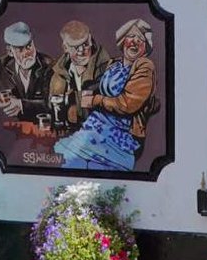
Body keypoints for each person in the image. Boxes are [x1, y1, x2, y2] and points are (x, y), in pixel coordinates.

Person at [55, 17, 160, 172]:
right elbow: (94, 87)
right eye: (131, 36)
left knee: (97, 170)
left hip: (120, 135)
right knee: (70, 163)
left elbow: (126, 104)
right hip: (95, 126)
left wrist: (95, 100)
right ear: (123, 40)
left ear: (146, 46)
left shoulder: (144, 65)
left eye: (140, 39)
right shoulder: (113, 64)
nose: (134, 42)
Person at [47, 20, 111, 133]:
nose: (82, 51)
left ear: (91, 41)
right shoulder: (58, 73)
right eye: (75, 47)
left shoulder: (106, 70)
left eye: (85, 44)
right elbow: (51, 106)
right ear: (65, 48)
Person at [0, 21, 53, 124]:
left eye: (29, 46)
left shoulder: (48, 65)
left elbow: (52, 103)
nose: (27, 53)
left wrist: (21, 104)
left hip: (40, 127)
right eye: (20, 49)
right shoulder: (3, 65)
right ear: (10, 51)